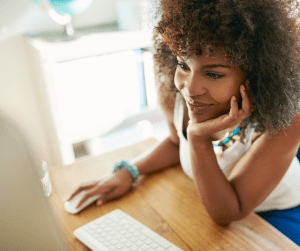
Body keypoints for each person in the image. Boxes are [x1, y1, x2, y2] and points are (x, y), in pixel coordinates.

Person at [67, 0, 300, 245]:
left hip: (278, 218)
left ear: (256, 74)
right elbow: (176, 142)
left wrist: (198, 137)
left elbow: (228, 211)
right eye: (183, 65)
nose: (190, 88)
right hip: (205, 204)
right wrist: (130, 170)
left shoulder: (287, 122)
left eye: (213, 74)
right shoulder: (173, 94)